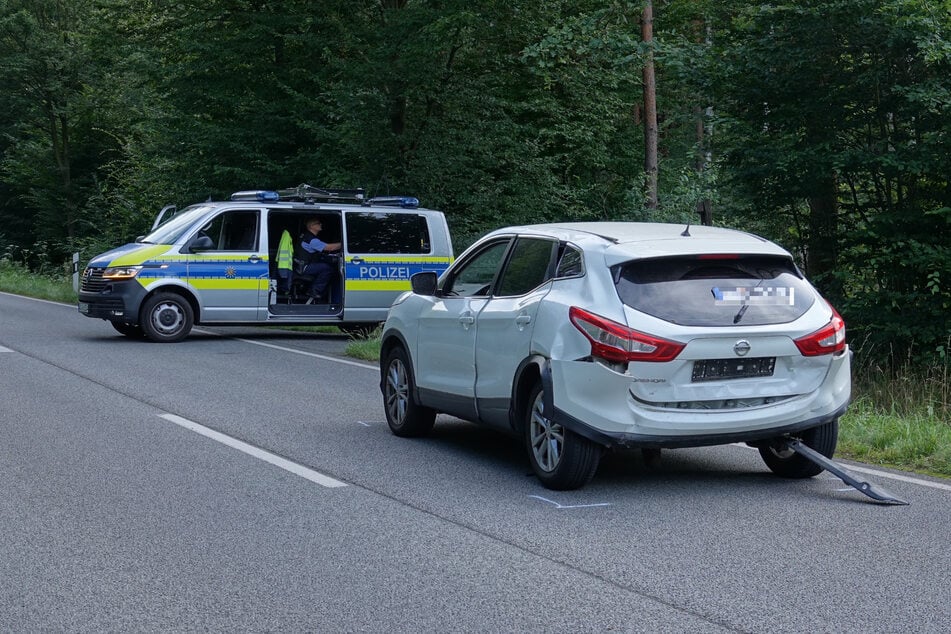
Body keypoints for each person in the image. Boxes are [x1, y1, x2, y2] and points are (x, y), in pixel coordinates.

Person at [299, 217, 342, 301]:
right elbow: (330, 248)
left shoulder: (306, 235)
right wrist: (344, 243)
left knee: (324, 266)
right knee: (328, 269)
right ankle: (314, 291)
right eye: (318, 223)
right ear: (311, 226)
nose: (320, 224)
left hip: (300, 264)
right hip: (304, 267)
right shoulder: (312, 240)